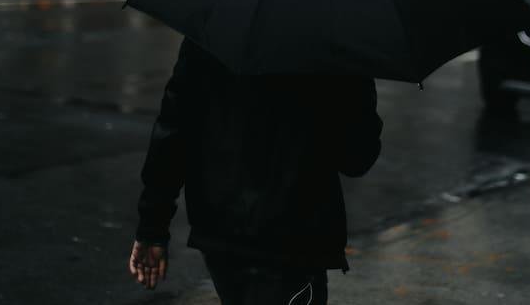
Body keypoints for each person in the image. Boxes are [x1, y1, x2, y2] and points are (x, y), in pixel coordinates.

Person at [128, 39, 383, 304]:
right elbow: (357, 158)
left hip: (222, 232)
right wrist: (359, 83)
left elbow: (174, 130)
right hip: (294, 241)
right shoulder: (334, 39)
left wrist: (152, 226)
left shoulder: (215, 26)